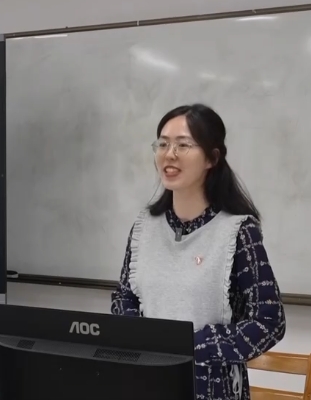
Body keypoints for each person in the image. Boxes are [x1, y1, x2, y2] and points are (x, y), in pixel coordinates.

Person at [111, 104, 286, 400]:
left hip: (210, 387)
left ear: (212, 158)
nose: (169, 154)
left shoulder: (238, 231)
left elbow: (269, 322)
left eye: (183, 145)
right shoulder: (144, 226)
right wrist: (139, 336)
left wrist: (193, 346)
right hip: (147, 381)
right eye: (162, 144)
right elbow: (124, 297)